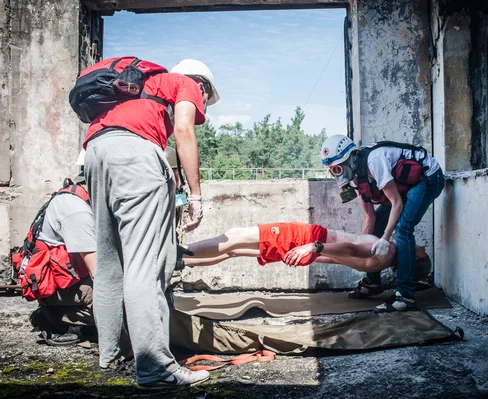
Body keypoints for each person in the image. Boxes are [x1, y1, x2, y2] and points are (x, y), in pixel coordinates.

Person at [82, 58, 219, 390]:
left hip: (95, 152)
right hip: (136, 154)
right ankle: (155, 366)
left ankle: (109, 354)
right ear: (201, 85)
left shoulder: (137, 89)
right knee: (145, 265)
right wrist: (196, 195)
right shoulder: (183, 84)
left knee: (110, 261)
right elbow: (184, 130)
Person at [320, 135, 444, 312]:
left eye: (338, 168)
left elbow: (397, 203)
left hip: (428, 177)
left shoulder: (374, 161)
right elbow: (369, 216)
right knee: (377, 225)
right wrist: (361, 248)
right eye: (332, 170)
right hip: (406, 186)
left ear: (350, 158)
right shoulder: (356, 176)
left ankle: (405, 295)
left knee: (403, 229)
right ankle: (373, 282)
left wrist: (385, 238)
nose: (337, 175)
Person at [182, 222, 431, 283]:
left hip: (307, 239)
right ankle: (182, 262)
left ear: (417, 256)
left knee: (235, 236)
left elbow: (350, 247)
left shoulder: (383, 252)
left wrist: (312, 246)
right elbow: (342, 254)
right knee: (234, 251)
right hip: (307, 250)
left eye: (422, 250)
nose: (421, 246)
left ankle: (175, 254)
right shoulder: (381, 262)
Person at [23, 151, 96, 346]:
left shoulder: (79, 197)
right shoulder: (76, 210)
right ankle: (55, 319)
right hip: (54, 285)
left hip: (67, 280)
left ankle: (59, 315)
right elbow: (98, 272)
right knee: (117, 300)